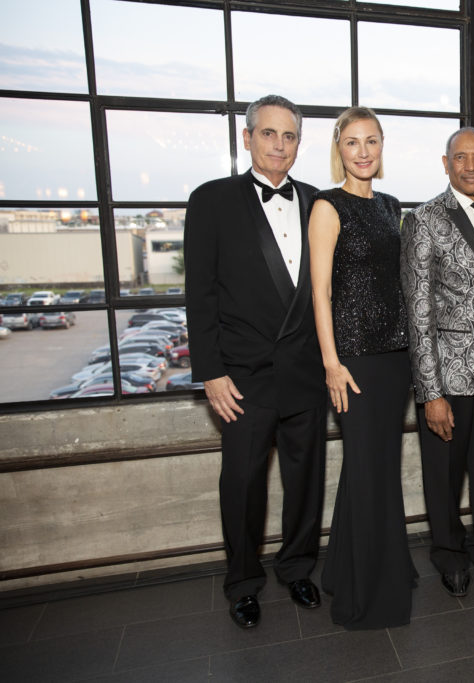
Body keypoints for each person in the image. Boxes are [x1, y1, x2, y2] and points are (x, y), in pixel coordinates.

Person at [185, 94, 326, 629]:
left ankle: (297, 568)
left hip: (308, 371)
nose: (279, 145)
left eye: (289, 136)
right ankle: (243, 582)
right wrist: (211, 372)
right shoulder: (212, 200)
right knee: (242, 484)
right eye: (268, 133)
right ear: (247, 138)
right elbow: (199, 294)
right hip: (242, 375)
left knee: (306, 480)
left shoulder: (318, 201)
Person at [400, 127, 474, 598]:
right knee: (445, 475)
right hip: (448, 373)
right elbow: (418, 312)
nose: (471, 165)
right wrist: (430, 392)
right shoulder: (426, 219)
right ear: (445, 163)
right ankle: (449, 554)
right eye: (461, 157)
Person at [308, 106, 416, 629]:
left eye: (371, 140)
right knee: (372, 474)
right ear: (339, 149)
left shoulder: (390, 204)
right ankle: (370, 597)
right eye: (352, 142)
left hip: (395, 357)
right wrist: (331, 362)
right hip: (353, 360)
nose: (363, 151)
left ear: (381, 145)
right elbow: (321, 292)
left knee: (369, 470)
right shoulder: (328, 207)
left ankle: (345, 571)